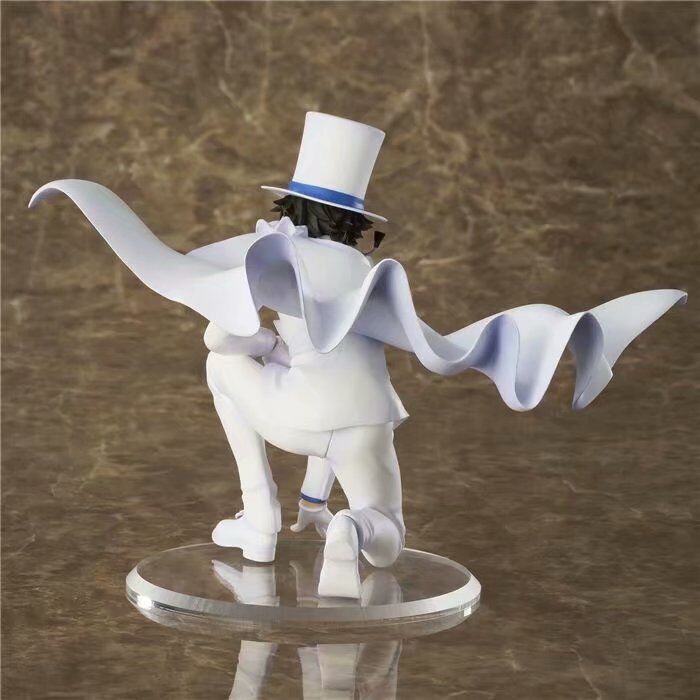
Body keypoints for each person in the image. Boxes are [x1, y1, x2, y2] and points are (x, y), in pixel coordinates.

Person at [30, 112, 686, 599]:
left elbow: (214, 333)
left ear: (290, 207)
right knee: (387, 530)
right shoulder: (365, 279)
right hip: (366, 422)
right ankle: (351, 527)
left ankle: (260, 517)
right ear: (356, 224)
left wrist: (263, 343)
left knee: (220, 366)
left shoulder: (270, 257)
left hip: (293, 415)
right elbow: (426, 350)